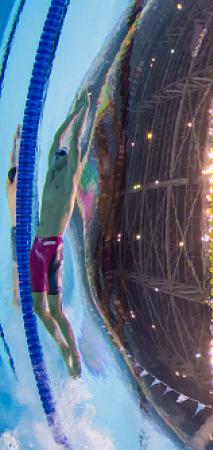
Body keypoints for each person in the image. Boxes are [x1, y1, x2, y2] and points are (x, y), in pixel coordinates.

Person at [30, 93, 92, 378]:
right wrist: (69, 118)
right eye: (55, 157)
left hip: (53, 248)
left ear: (66, 163)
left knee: (55, 310)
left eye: (61, 158)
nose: (56, 159)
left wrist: (83, 111)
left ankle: (75, 354)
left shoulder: (68, 179)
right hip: (36, 249)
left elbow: (74, 146)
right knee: (38, 309)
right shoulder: (48, 181)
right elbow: (57, 140)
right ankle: (62, 349)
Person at [6, 126, 20, 309]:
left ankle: (16, 296)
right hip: (19, 230)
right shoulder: (15, 187)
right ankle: (16, 297)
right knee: (17, 264)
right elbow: (14, 165)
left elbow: (12, 164)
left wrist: (14, 142)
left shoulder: (8, 187)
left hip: (14, 229)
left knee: (16, 264)